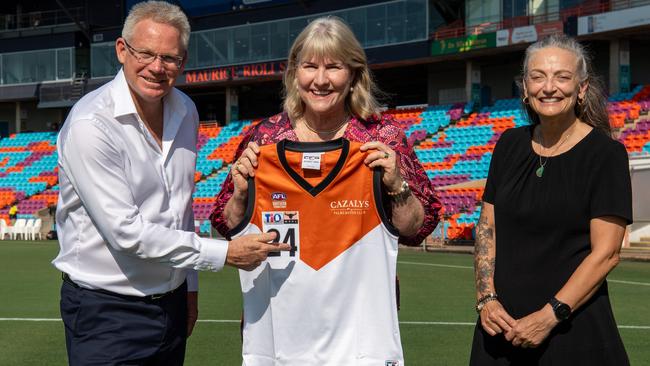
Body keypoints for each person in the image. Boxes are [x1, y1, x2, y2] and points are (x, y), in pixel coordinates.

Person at [52, 2, 289, 365]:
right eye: (145, 53)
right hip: (106, 311)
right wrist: (225, 254)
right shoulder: (90, 125)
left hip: (172, 305)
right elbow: (126, 233)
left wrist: (189, 289)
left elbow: (180, 210)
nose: (157, 68)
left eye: (170, 58)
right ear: (121, 50)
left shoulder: (186, 111)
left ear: (183, 61)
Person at [210, 16, 441, 364]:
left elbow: (418, 228)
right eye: (309, 66)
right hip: (279, 333)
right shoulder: (264, 138)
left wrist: (398, 186)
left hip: (361, 339)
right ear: (294, 72)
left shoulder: (383, 138)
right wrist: (241, 194)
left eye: (333, 67)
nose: (320, 80)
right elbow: (227, 225)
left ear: (353, 74)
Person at [470, 34, 632, 365]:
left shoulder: (606, 155)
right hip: (500, 330)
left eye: (562, 77)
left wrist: (549, 316)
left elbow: (607, 254)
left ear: (582, 88)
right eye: (538, 76)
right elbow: (487, 228)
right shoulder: (509, 144)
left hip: (571, 332)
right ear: (524, 87)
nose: (549, 87)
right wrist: (486, 298)